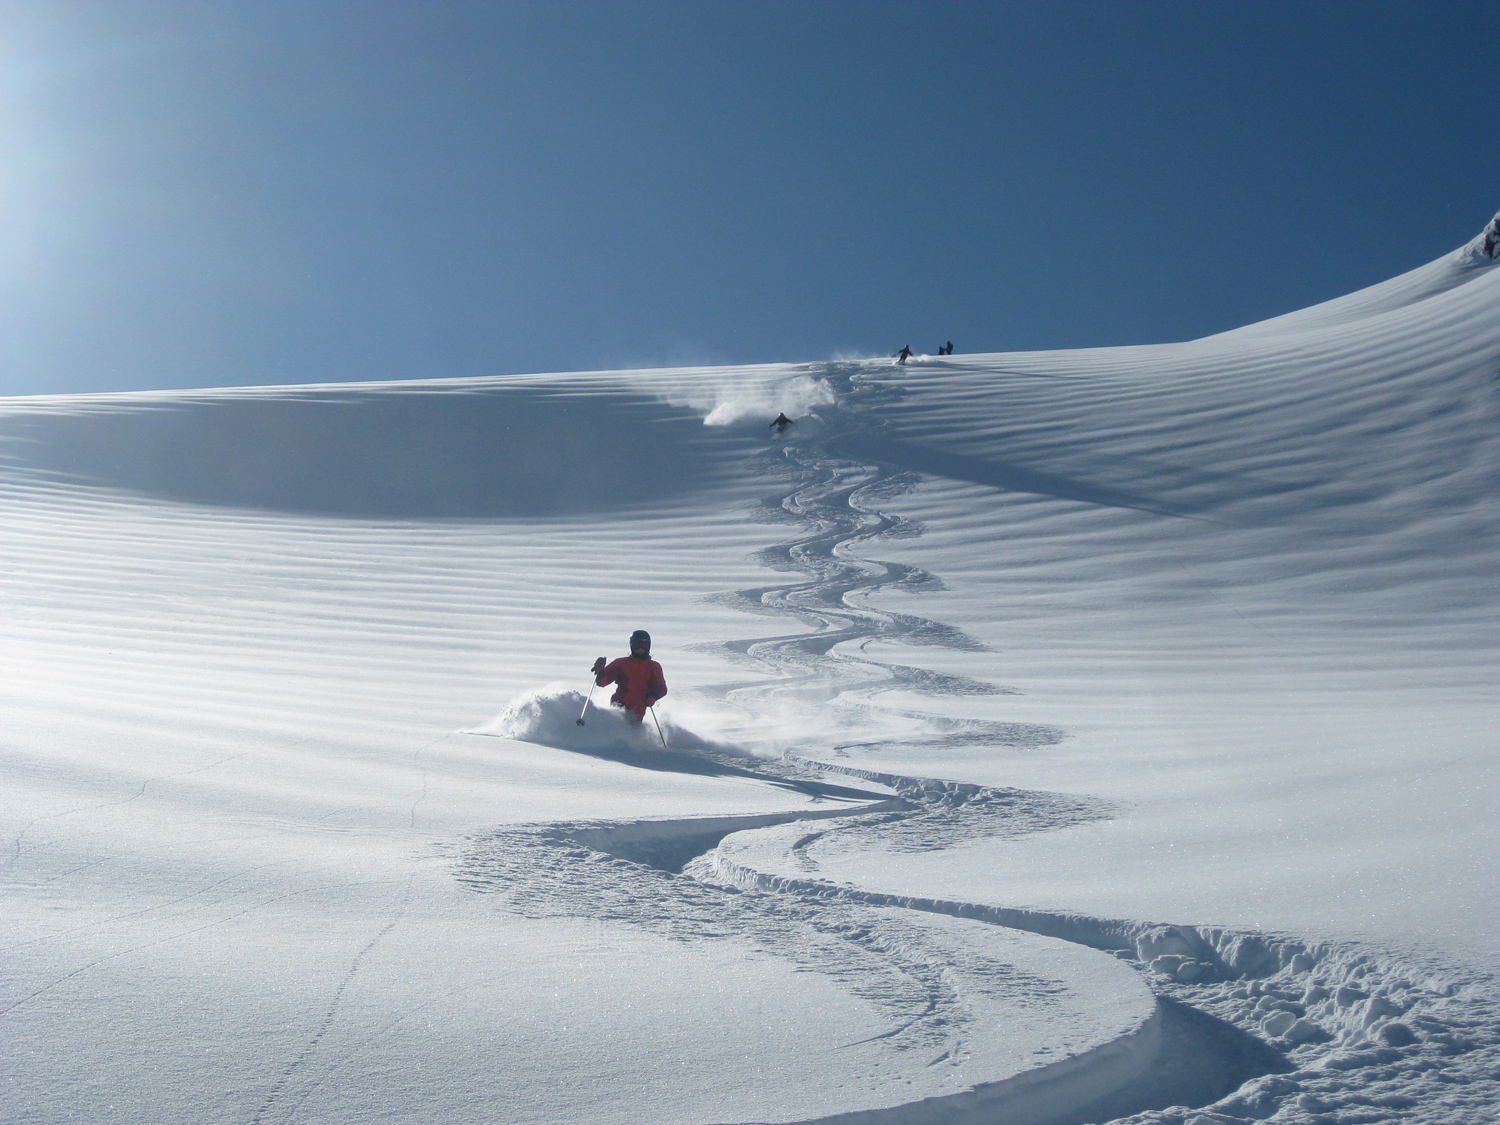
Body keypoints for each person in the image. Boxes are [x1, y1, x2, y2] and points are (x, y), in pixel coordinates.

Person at [591, 630, 667, 722]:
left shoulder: (654, 667)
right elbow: (602, 682)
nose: (640, 649)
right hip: (620, 704)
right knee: (620, 726)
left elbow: (661, 688)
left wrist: (653, 696)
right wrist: (600, 671)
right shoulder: (621, 663)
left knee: (632, 730)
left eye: (644, 645)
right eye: (637, 645)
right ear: (631, 645)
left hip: (638, 709)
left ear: (649, 646)